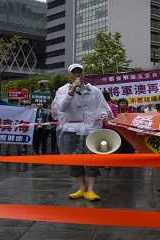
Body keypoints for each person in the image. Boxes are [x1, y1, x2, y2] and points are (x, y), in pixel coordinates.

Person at [52, 63, 112, 202]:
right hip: (70, 130)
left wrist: (103, 115)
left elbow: (104, 107)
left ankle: (90, 190)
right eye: (74, 72)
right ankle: (81, 188)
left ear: (84, 74)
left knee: (92, 159)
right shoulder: (62, 90)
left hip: (91, 130)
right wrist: (72, 90)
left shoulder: (95, 90)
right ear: (69, 75)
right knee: (73, 160)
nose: (77, 75)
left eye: (79, 72)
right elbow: (61, 108)